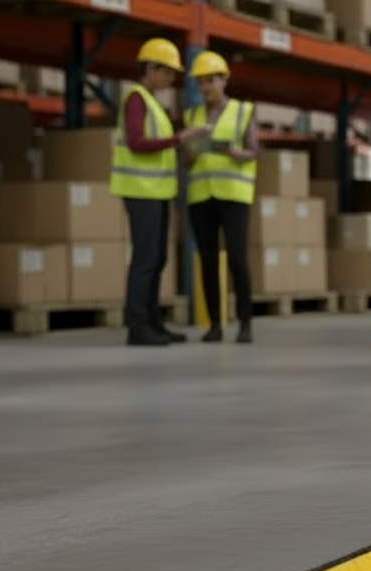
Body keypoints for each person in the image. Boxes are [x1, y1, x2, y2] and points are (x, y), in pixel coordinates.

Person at [111, 38, 210, 346]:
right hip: (141, 191)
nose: (171, 79)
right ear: (150, 69)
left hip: (156, 192)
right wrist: (179, 139)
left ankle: (153, 323)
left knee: (157, 257)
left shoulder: (153, 102)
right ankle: (138, 327)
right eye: (167, 72)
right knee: (146, 259)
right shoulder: (137, 99)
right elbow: (137, 142)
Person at [182, 51, 259, 344]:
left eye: (211, 80)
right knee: (208, 261)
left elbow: (254, 150)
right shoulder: (192, 116)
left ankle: (245, 324)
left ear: (224, 80)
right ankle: (214, 324)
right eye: (201, 82)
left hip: (234, 195)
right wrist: (190, 152)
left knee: (238, 259)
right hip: (201, 197)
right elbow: (186, 160)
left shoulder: (242, 111)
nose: (206, 87)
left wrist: (233, 153)